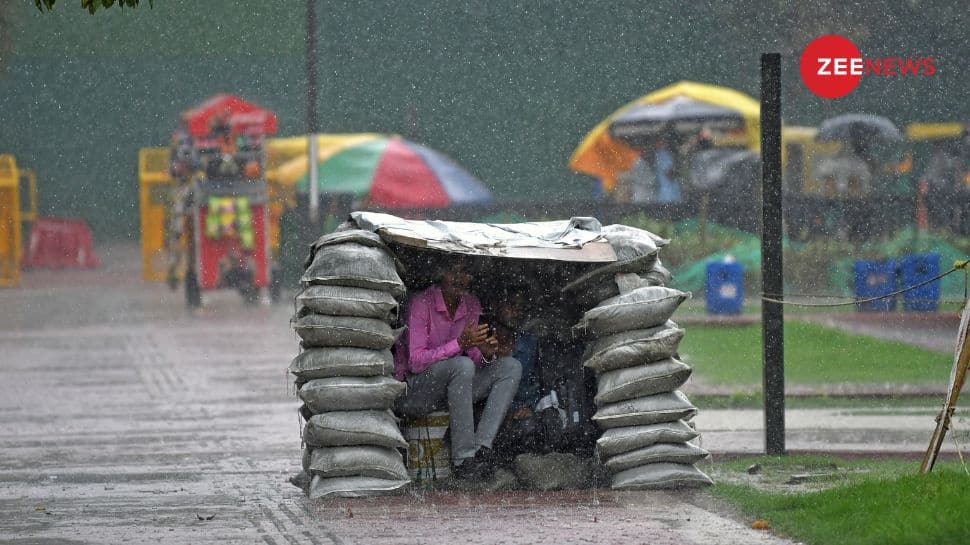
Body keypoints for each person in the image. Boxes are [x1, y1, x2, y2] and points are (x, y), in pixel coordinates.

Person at [394, 260, 522, 481]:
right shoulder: (421, 303)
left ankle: (482, 450)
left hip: (456, 391)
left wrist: (486, 353)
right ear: (440, 273)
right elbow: (415, 362)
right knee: (461, 365)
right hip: (418, 391)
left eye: (465, 273)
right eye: (454, 271)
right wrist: (459, 345)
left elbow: (473, 357)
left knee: (510, 365)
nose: (460, 279)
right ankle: (464, 459)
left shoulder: (471, 304)